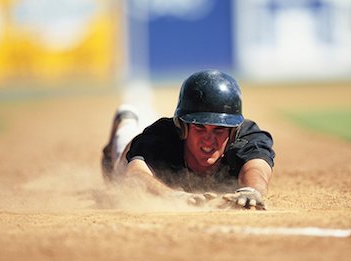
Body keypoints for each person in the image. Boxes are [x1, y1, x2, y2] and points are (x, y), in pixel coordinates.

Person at [101, 70, 275, 210]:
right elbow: (135, 174)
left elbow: (257, 168)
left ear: (233, 132)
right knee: (118, 176)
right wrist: (172, 195)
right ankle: (126, 119)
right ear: (183, 128)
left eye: (219, 129)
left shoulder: (247, 138)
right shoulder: (161, 137)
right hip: (126, 160)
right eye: (199, 127)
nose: (209, 139)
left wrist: (253, 190)